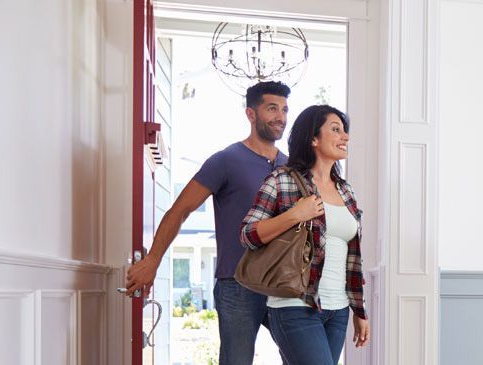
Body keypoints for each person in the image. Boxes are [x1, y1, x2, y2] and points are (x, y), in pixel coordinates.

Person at [125, 81, 292, 364]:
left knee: (303, 357)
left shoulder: (290, 166)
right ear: (251, 114)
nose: (281, 117)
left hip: (284, 283)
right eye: (272, 108)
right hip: (238, 283)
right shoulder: (226, 161)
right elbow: (179, 211)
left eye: (285, 109)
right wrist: (152, 260)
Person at [240, 104, 370, 365]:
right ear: (313, 138)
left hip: (338, 310)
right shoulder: (281, 180)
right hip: (295, 306)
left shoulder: (346, 191)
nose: (345, 137)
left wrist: (359, 310)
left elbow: (352, 258)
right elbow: (248, 234)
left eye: (345, 131)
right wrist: (294, 215)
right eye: (335, 130)